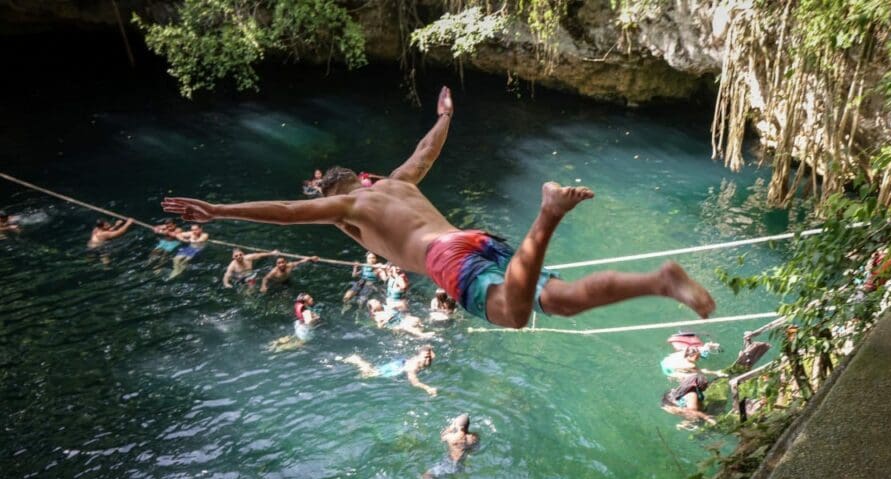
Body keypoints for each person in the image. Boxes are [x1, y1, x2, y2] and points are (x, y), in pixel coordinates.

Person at [162, 85, 715, 329]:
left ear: (337, 193)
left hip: (449, 260)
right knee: (559, 301)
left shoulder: (347, 208)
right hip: (477, 242)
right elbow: (426, 149)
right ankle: (659, 281)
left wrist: (219, 210)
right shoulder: (396, 181)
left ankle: (546, 215)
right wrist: (446, 115)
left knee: (513, 315)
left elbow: (284, 212)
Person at [403, 413, 480, 479]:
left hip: (447, 464)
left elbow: (442, 437)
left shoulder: (451, 437)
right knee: (443, 478)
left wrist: (450, 428)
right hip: (460, 467)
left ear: (459, 426)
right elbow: (475, 449)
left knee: (425, 477)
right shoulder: (473, 438)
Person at [659, 333, 726, 429]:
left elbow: (698, 352)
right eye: (705, 384)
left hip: (670, 390)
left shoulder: (685, 354)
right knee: (696, 415)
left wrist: (708, 346)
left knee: (697, 405)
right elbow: (692, 411)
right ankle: (685, 424)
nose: (706, 385)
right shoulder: (692, 392)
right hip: (669, 403)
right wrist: (707, 418)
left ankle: (687, 421)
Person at [342, 346, 437, 396]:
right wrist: (427, 388)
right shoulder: (412, 367)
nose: (428, 359)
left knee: (372, 372)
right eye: (425, 357)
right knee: (370, 374)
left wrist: (429, 352)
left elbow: (429, 352)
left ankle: (359, 361)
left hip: (402, 362)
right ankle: (357, 360)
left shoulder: (426, 357)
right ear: (418, 356)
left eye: (429, 357)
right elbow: (414, 382)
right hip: (399, 367)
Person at [367, 299, 435, 338]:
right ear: (372, 308)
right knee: (406, 326)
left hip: (401, 318)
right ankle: (421, 335)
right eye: (375, 302)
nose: (378, 301)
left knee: (416, 319)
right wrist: (385, 321)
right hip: (395, 325)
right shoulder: (377, 315)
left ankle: (422, 329)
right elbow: (379, 326)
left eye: (377, 300)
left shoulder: (384, 307)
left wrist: (401, 305)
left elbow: (397, 305)